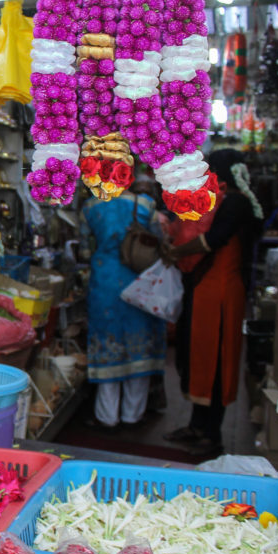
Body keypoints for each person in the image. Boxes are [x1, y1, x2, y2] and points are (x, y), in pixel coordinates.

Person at [163, 149, 264, 454]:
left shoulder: (236, 203)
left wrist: (175, 252)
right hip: (208, 286)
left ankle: (212, 434)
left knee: (216, 359)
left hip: (221, 292)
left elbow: (214, 239)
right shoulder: (230, 200)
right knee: (199, 354)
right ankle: (197, 425)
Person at [80, 184, 167, 429]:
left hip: (104, 282)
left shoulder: (89, 207)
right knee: (139, 346)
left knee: (108, 344)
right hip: (139, 283)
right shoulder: (146, 205)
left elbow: (85, 251)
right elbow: (158, 244)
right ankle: (133, 415)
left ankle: (107, 417)